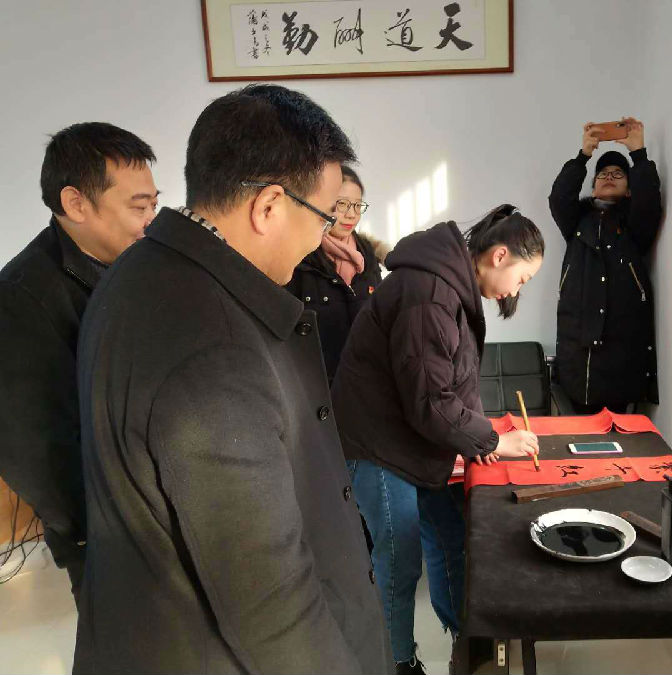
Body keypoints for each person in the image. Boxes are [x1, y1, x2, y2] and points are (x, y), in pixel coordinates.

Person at [73, 85, 391, 674]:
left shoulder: (143, 268)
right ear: (268, 206)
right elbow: (270, 604)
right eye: (324, 216)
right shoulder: (214, 349)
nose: (324, 237)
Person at [331, 204, 544, 674]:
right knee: (399, 558)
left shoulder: (452, 286)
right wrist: (491, 440)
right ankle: (397, 663)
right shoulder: (429, 293)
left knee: (449, 533)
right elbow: (429, 399)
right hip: (378, 444)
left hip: (413, 440)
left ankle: (466, 640)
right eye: (523, 279)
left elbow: (453, 381)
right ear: (500, 255)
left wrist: (476, 439)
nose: (516, 290)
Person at [0, 122, 157, 601]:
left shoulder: (137, 264)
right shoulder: (20, 297)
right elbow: (36, 447)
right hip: (111, 534)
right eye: (138, 207)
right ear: (75, 203)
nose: (151, 220)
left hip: (155, 512)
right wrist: (100, 530)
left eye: (154, 204)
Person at [549, 117, 662, 413]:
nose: (609, 176)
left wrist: (638, 154)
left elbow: (649, 201)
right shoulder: (577, 221)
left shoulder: (634, 224)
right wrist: (583, 155)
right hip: (577, 348)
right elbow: (559, 197)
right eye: (602, 174)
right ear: (593, 187)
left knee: (617, 430)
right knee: (576, 428)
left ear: (629, 190)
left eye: (618, 174)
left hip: (620, 353)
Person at [286, 165, 385, 383]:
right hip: (316, 386)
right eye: (342, 204)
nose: (351, 214)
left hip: (366, 385)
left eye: (357, 205)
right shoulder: (300, 257)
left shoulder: (368, 257)